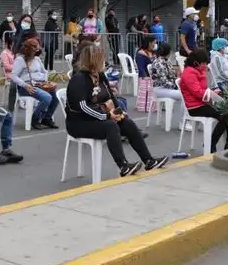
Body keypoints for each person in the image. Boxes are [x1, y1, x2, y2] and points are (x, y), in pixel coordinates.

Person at [65, 45, 169, 176]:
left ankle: (149, 160)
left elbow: (110, 96)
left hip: (98, 117)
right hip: (79, 123)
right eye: (101, 58)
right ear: (93, 60)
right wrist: (107, 116)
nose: (105, 62)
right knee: (110, 126)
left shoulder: (100, 76)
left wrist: (119, 111)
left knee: (127, 122)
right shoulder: (79, 79)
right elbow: (83, 107)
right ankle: (123, 166)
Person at [179, 48, 228, 152]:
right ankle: (212, 144)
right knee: (225, 116)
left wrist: (214, 93)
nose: (205, 65)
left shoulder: (198, 70)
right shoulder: (189, 73)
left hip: (202, 104)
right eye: (203, 63)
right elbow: (197, 92)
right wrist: (211, 94)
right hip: (195, 107)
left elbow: (203, 89)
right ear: (196, 62)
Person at [11, 38, 61, 130]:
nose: (37, 51)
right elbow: (13, 76)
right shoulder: (20, 60)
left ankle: (47, 118)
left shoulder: (37, 59)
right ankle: (35, 119)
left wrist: (46, 81)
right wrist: (25, 85)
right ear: (29, 49)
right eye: (35, 49)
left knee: (55, 97)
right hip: (26, 87)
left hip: (40, 85)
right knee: (47, 97)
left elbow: (44, 71)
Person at [134, 35, 157, 113]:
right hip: (145, 77)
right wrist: (144, 76)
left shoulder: (152, 52)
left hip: (152, 76)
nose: (155, 45)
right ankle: (145, 106)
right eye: (154, 43)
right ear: (149, 43)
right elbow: (141, 67)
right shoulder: (141, 53)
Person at [0, 33, 18, 112]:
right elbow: (7, 66)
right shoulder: (4, 53)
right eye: (13, 44)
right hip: (10, 74)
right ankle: (12, 105)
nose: (14, 46)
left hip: (17, 73)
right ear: (9, 44)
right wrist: (17, 68)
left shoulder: (15, 52)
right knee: (16, 82)